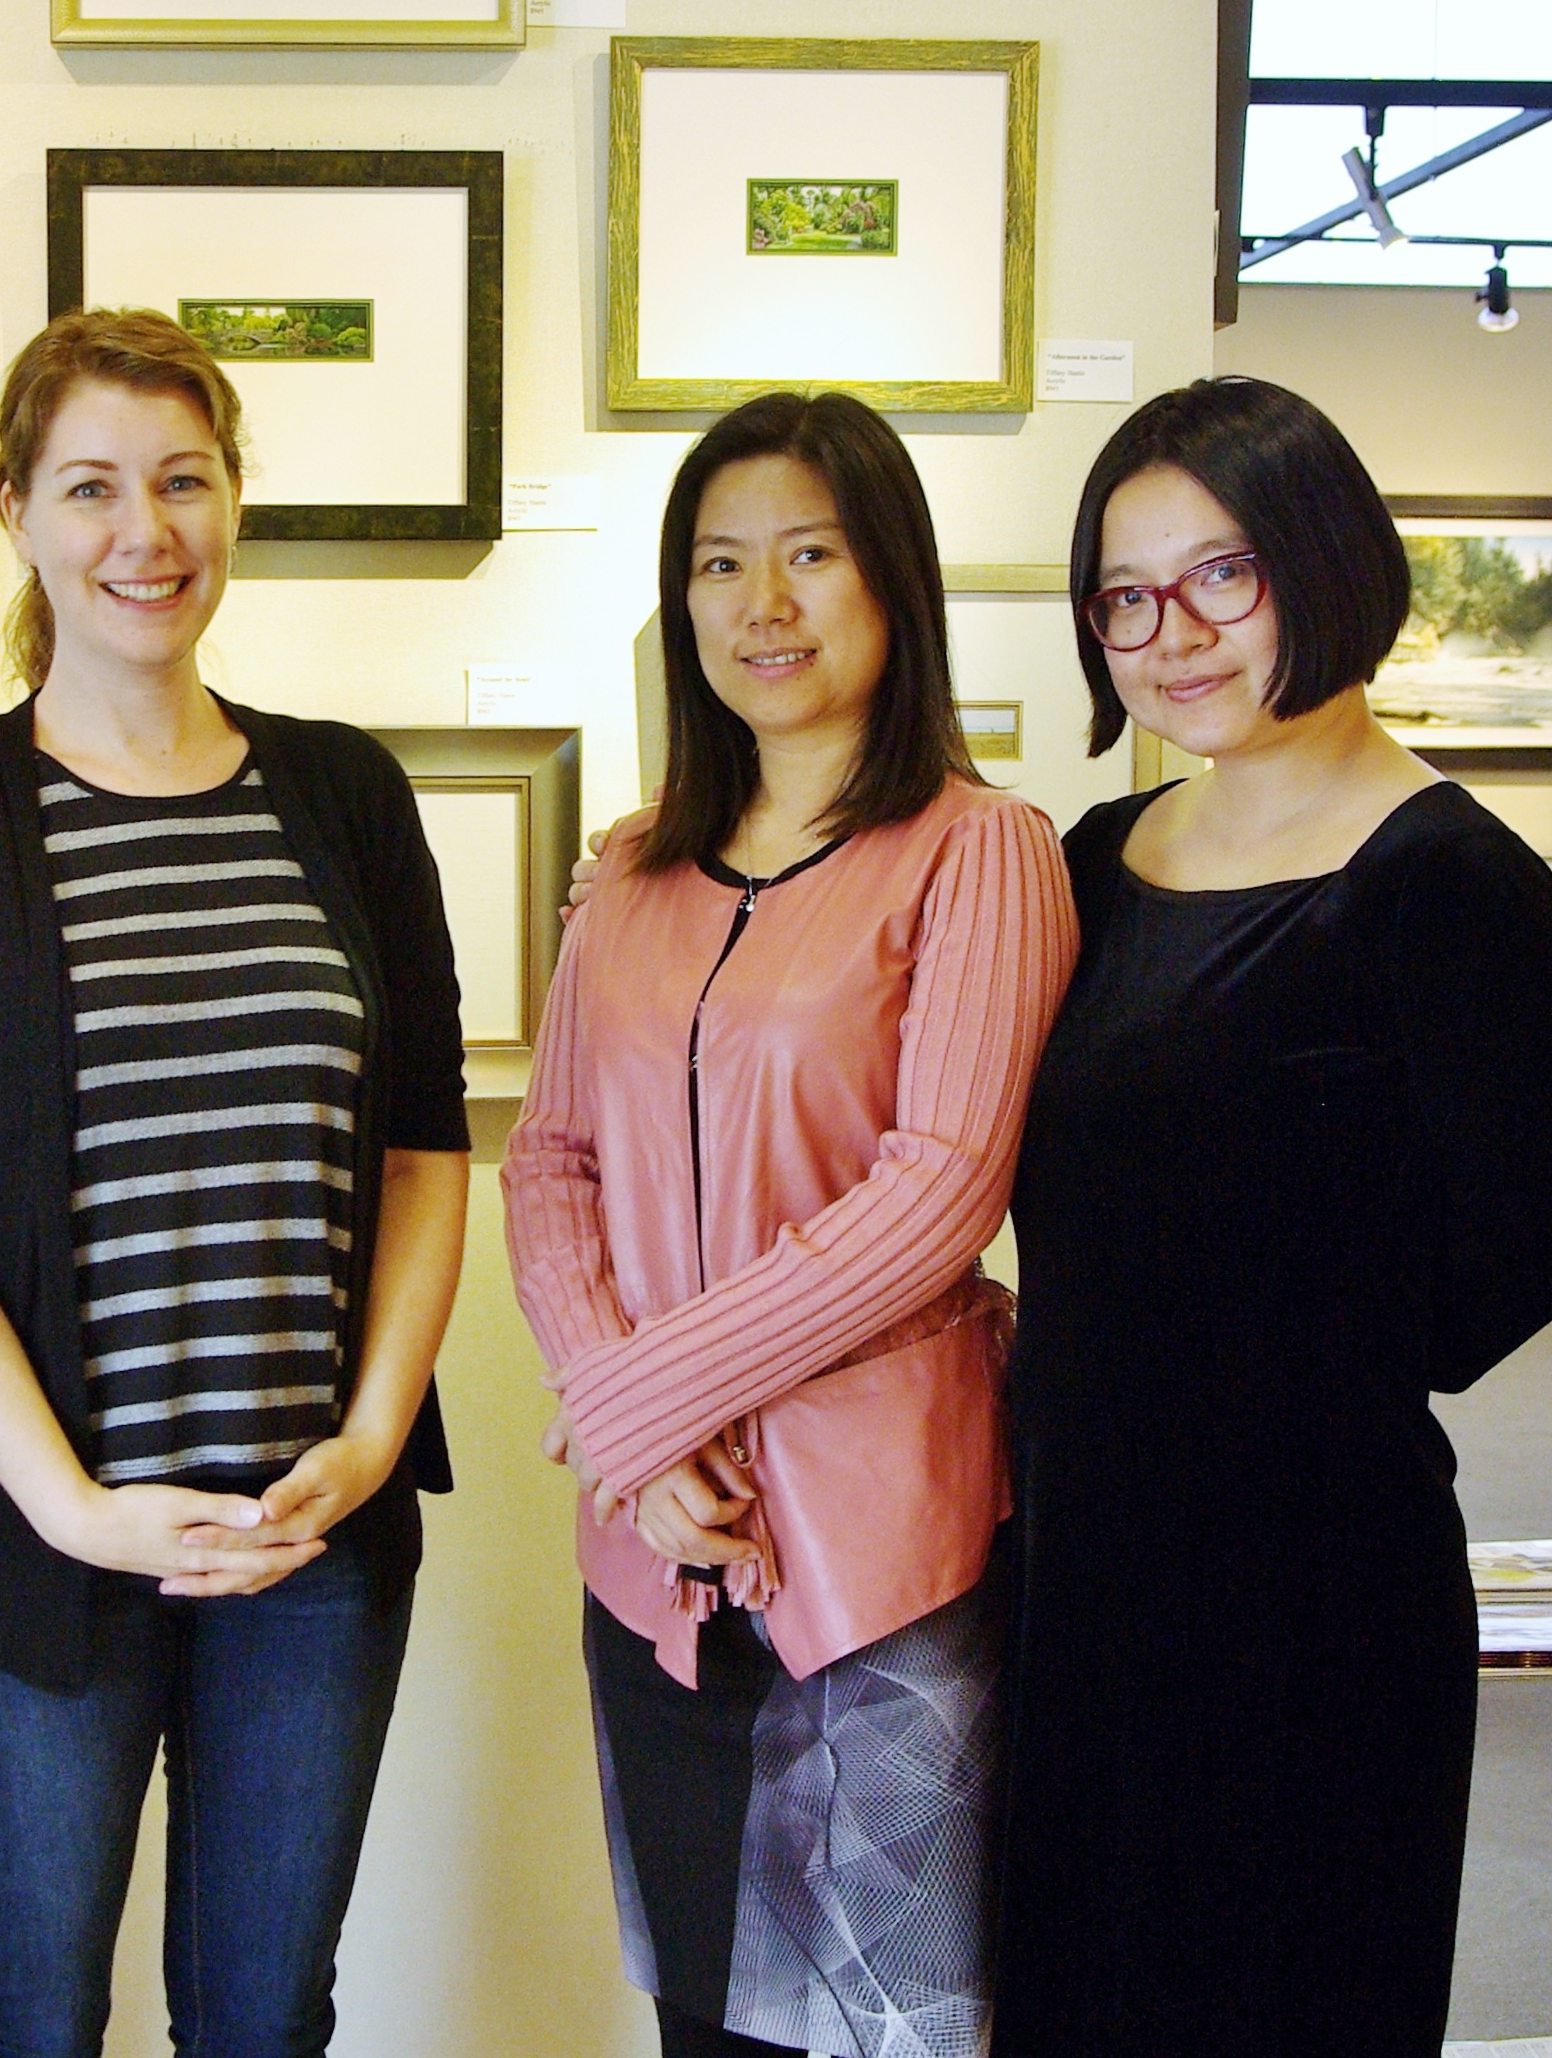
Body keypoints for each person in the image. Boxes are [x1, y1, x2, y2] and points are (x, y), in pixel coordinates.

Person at [0, 306, 472, 2058]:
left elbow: (424, 1152)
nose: (146, 530)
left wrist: (367, 1439)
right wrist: (70, 1505)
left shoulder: (342, 790)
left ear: (234, 498)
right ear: (18, 512)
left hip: (308, 1543)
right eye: (92, 486)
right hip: (26, 1544)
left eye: (183, 480)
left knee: (265, 2021)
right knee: (24, 2022)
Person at [994, 376, 1552, 2056]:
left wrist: (1275, 1362)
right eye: (1124, 597)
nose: (1170, 634)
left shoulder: (1450, 881)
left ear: (1321, 561)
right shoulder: (1094, 858)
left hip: (1310, 1585)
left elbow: (1533, 1243)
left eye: (1221, 574)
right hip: (1078, 1570)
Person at [503, 390, 1077, 2058]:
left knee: (897, 2025)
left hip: (891, 1548)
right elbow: (548, 1164)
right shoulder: (630, 873)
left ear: (891, 579)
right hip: (656, 1550)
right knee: (703, 2016)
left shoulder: (980, 851)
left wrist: (633, 1400)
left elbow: (937, 1189)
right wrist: (634, 1433)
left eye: (810, 556)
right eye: (718, 563)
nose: (761, 604)